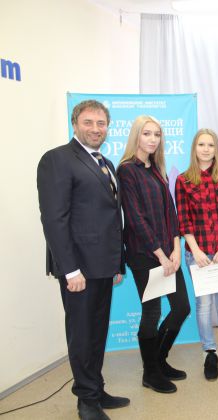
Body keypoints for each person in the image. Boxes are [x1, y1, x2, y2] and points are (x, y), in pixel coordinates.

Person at [37, 100, 129, 420]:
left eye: (101, 123)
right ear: (75, 124)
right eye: (88, 122)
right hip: (78, 269)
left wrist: (117, 264)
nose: (95, 129)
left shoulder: (106, 162)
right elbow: (54, 220)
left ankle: (96, 389)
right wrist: (70, 270)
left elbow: (110, 217)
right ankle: (86, 401)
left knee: (98, 332)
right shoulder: (57, 159)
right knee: (81, 333)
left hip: (103, 266)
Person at [117, 115, 191, 392]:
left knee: (181, 308)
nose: (152, 139)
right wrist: (160, 254)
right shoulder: (127, 170)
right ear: (136, 136)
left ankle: (158, 359)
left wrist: (176, 249)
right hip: (145, 254)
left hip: (168, 253)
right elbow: (135, 218)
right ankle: (150, 373)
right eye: (146, 133)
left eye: (157, 134)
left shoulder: (157, 170)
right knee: (152, 312)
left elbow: (170, 213)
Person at [175, 129, 218, 380]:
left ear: (216, 149)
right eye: (201, 144)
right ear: (195, 148)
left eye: (210, 145)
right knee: (203, 306)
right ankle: (209, 353)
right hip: (198, 254)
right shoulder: (183, 180)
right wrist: (196, 250)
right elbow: (184, 220)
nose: (206, 149)